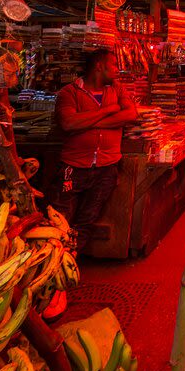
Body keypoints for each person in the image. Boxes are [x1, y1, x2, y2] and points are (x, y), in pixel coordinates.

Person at [51, 49, 138, 251]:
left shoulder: (116, 89)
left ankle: (71, 259)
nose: (118, 69)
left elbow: (130, 114)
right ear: (99, 66)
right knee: (59, 217)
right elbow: (68, 123)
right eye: (114, 64)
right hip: (73, 166)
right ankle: (52, 259)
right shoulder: (69, 93)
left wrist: (88, 121)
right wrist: (107, 110)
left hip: (106, 167)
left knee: (87, 219)